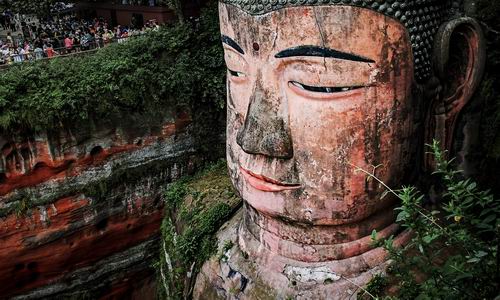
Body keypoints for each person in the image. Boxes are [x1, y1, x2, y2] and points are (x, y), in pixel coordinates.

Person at [194, 0, 486, 298]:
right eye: (235, 70)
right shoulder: (199, 229)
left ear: (452, 82)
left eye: (321, 86)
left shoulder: (452, 284)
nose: (254, 139)